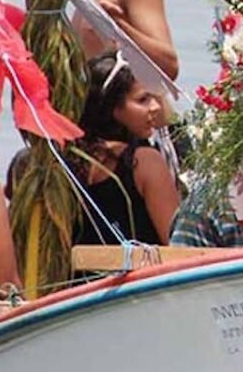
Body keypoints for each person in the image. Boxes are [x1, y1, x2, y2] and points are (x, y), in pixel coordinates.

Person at [71, 53, 179, 246]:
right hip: (143, 274)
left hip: (83, 275)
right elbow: (176, 244)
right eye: (143, 100)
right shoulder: (145, 162)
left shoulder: (68, 161)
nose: (155, 107)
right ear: (113, 107)